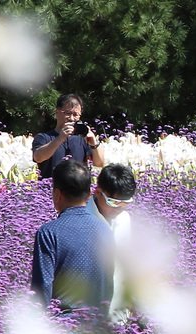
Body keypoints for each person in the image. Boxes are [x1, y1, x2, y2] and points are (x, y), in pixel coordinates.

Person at [30, 160, 113, 314]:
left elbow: (42, 290)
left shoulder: (49, 233)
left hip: (63, 326)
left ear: (56, 194)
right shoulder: (105, 229)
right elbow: (108, 284)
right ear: (89, 194)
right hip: (97, 326)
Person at [90, 163, 136, 318]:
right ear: (97, 192)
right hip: (88, 312)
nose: (119, 208)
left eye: (126, 203)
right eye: (114, 202)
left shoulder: (125, 219)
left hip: (118, 312)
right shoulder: (81, 219)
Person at [32, 94, 105, 179]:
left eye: (75, 115)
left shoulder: (82, 138)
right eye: (68, 113)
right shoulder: (44, 137)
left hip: (78, 190)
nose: (71, 118)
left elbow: (99, 163)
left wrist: (93, 142)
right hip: (51, 189)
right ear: (57, 112)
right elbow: (38, 157)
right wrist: (60, 138)